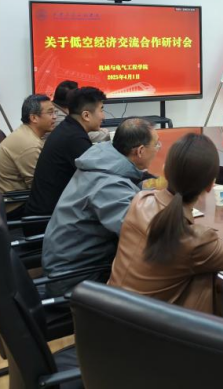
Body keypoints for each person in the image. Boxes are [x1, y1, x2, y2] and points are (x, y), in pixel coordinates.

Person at [109, 133, 223, 314]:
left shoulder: (140, 200)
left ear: (165, 171)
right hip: (152, 327)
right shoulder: (195, 241)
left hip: (110, 315)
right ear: (210, 186)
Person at [42, 118, 160, 296]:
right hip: (77, 280)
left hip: (73, 263)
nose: (158, 149)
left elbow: (126, 191)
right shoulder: (109, 184)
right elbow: (139, 234)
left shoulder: (104, 160)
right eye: (156, 145)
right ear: (140, 151)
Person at [26, 86, 106, 216]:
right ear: (86, 115)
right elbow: (99, 177)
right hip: (52, 218)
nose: (103, 116)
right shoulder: (73, 138)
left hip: (59, 208)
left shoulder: (69, 128)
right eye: (101, 110)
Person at [0, 94, 55, 212]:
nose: (54, 117)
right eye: (50, 113)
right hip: (15, 206)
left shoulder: (25, 133)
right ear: (34, 118)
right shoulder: (30, 145)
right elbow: (40, 187)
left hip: (15, 198)